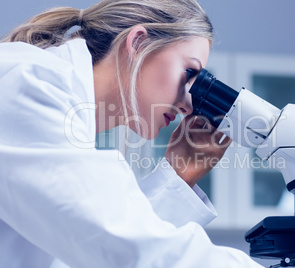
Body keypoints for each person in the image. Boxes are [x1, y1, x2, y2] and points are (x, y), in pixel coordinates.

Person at [0, 0, 263, 267]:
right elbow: (123, 246)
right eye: (189, 72)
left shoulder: (58, 101)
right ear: (137, 43)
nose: (188, 105)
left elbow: (88, 248)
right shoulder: (31, 82)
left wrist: (179, 176)